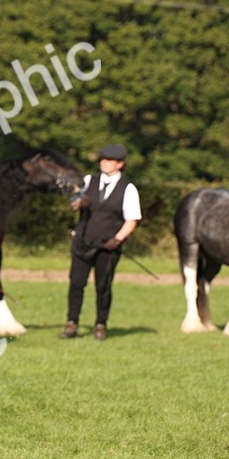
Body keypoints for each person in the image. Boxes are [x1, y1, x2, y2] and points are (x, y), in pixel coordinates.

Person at [59, 143, 141, 341]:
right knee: (76, 283)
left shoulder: (128, 189)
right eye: (102, 159)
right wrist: (79, 203)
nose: (104, 162)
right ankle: (72, 323)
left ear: (120, 164)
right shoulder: (89, 181)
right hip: (83, 242)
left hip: (107, 246)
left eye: (109, 160)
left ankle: (100, 323)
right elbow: (73, 204)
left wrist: (118, 239)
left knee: (103, 286)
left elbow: (132, 219)